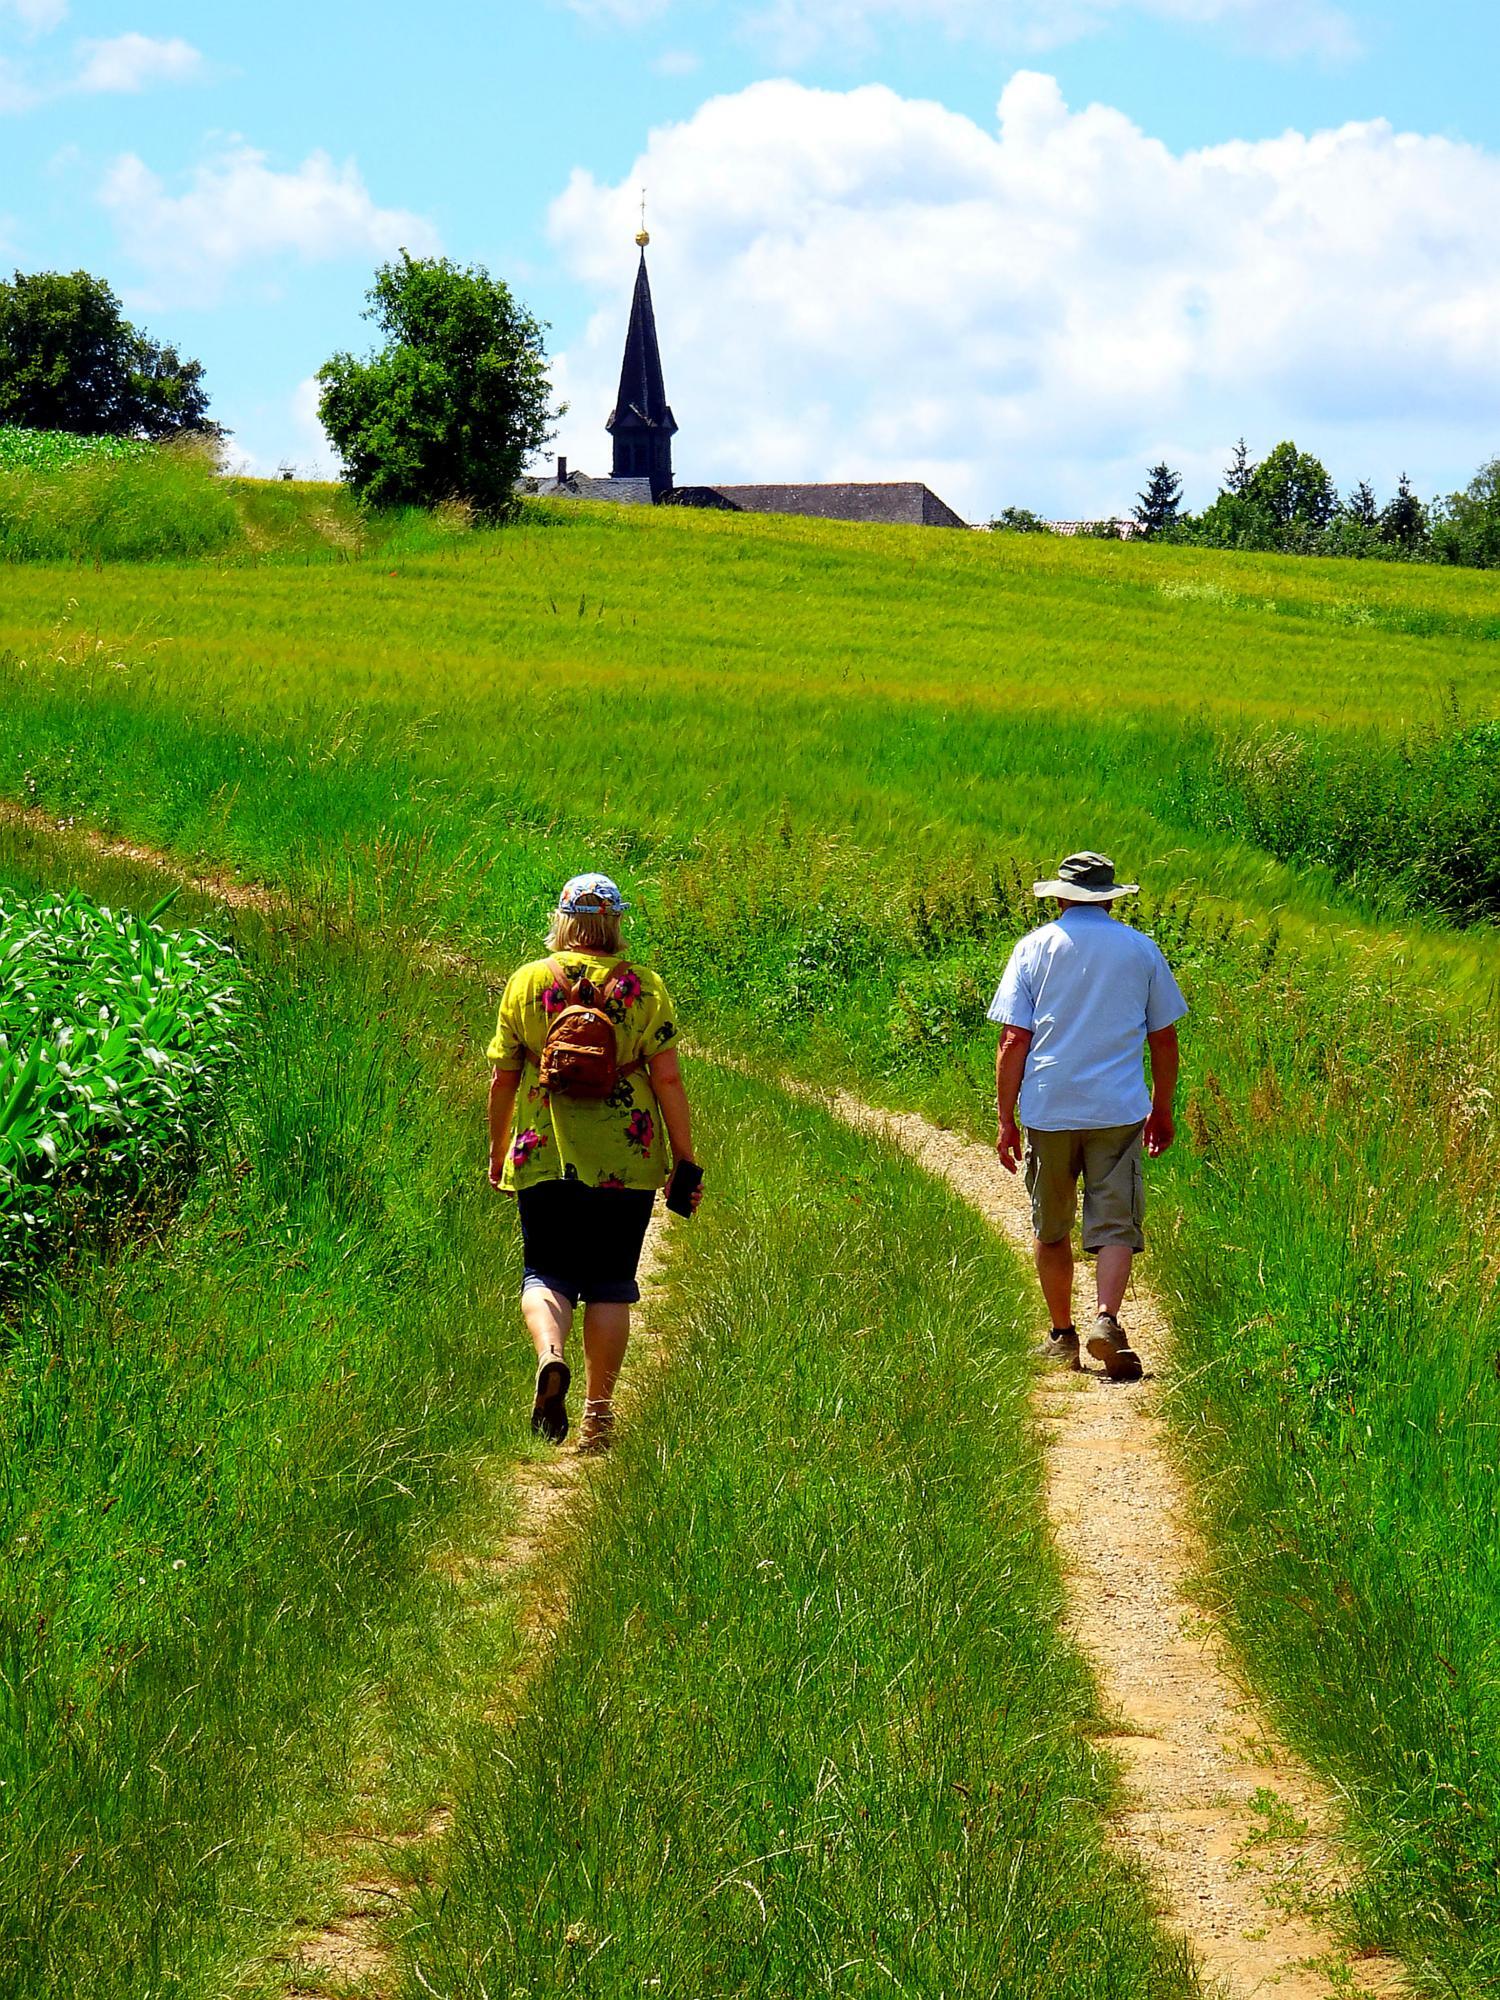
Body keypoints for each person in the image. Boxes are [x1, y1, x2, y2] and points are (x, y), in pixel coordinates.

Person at [487, 873, 701, 1453]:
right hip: (625, 1159)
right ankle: (597, 1418)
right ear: (615, 922)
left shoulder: (528, 982)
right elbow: (669, 1079)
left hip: (543, 1152)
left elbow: (504, 1077)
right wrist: (684, 1158)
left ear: (562, 919)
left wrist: (499, 1147)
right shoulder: (644, 987)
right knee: (610, 1283)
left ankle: (550, 1356)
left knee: (545, 1273)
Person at [988, 852, 1186, 1382]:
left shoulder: (1032, 949)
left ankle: (1061, 1335)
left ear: (1059, 896)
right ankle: (1106, 1319)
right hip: (1118, 1107)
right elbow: (1163, 1038)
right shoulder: (1142, 950)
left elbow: (1013, 1039)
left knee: (1051, 1225)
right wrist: (1162, 1108)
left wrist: (1006, 1118)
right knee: (1115, 1220)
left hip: (1050, 1106)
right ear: (1111, 898)